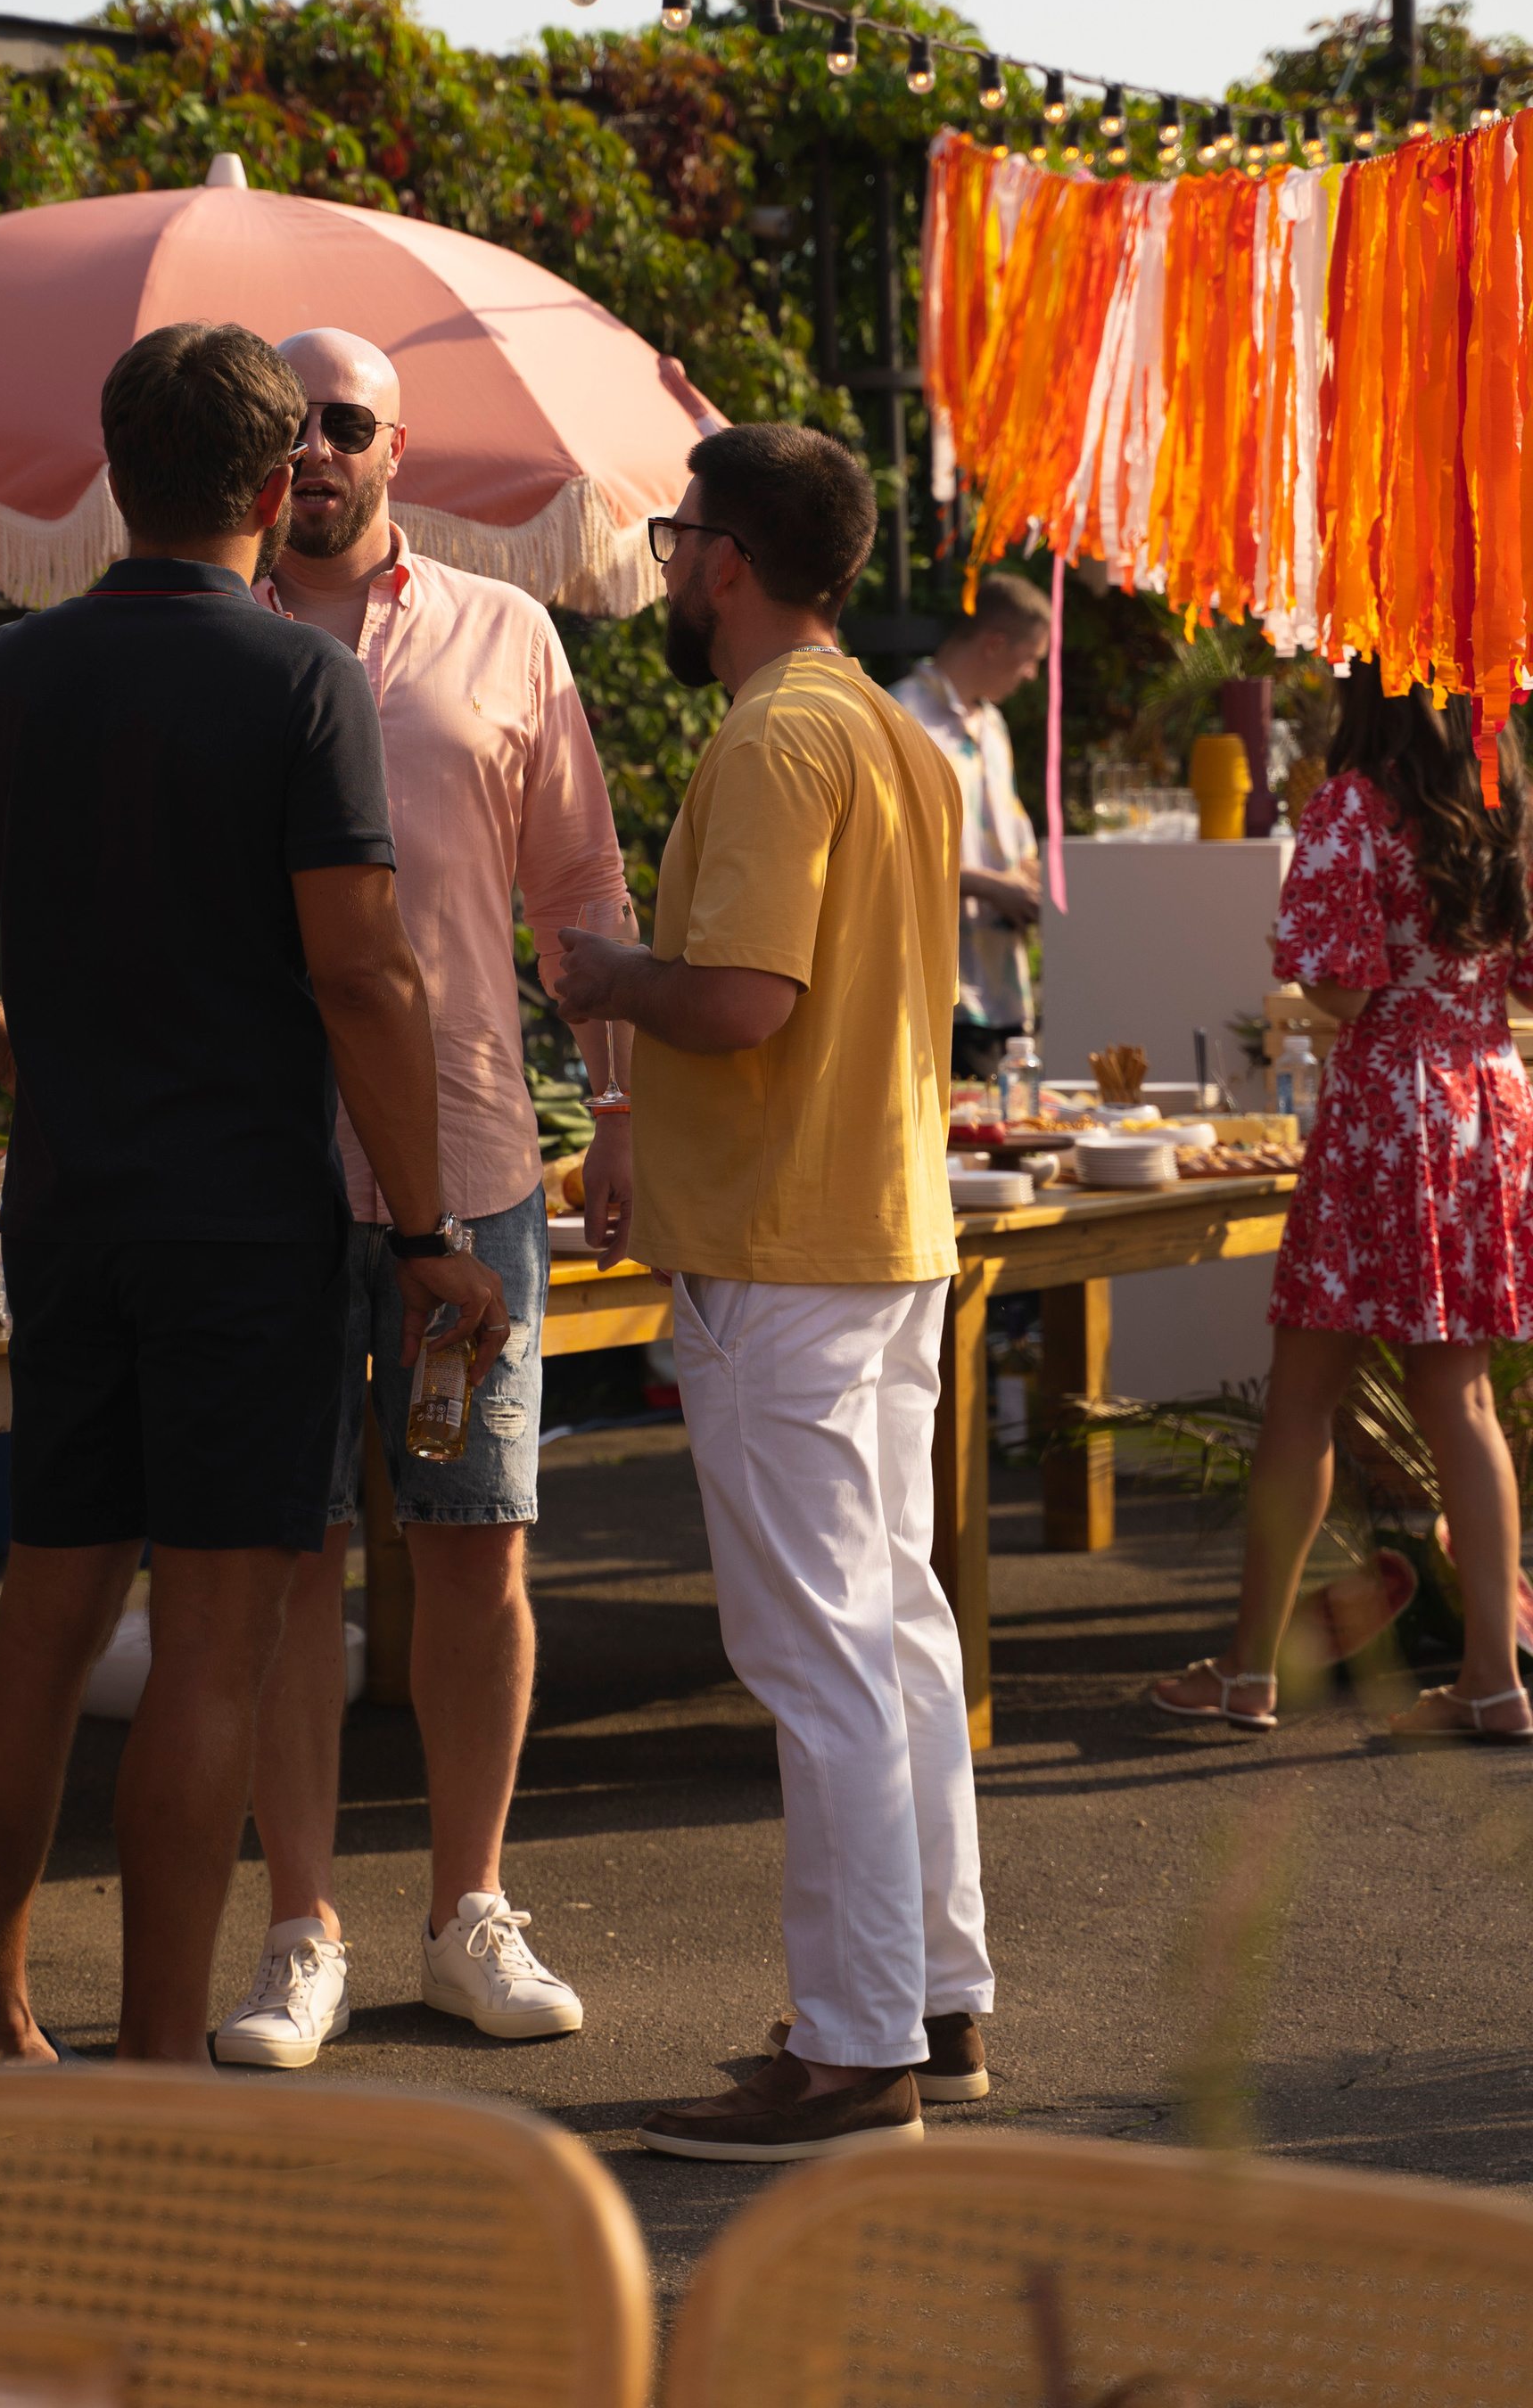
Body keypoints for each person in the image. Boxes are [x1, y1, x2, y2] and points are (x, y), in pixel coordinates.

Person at [0, 320, 504, 2066]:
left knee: (41, 1611)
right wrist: (422, 1231)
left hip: (75, 1205)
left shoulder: (0, 677)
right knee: (212, 1634)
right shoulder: (297, 680)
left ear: (113, 474)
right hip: (247, 1223)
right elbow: (362, 974)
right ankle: (163, 2051)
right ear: (274, 488)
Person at [556, 422, 993, 2162]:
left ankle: (853, 2049)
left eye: (674, 539)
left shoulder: (770, 737)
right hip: (881, 1231)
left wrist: (608, 975)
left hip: (785, 1247)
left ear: (724, 555)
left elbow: (740, 999)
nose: (666, 568)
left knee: (822, 1658)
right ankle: (924, 2000)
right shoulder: (893, 730)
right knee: (890, 1637)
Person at [208, 326, 632, 2069]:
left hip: (463, 1166)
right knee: (284, 1554)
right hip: (261, 1168)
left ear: (399, 442)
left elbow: (581, 891)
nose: (313, 447)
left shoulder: (502, 630)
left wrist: (614, 1108)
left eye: (344, 420)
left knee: (476, 1543)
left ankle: (469, 1905)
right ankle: (298, 1922)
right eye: (286, 422)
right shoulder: (204, 639)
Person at [1152, 668, 1533, 1747]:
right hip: (1485, 1100)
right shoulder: (1505, 801)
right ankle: (1492, 1679)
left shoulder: (1353, 802)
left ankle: (1245, 1671)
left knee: (1302, 1399)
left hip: (1386, 1106)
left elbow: (1344, 984)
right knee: (1460, 1401)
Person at [890, 576, 1050, 1084]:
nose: (1031, 675)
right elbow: (886, 853)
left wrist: (1029, 875)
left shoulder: (994, 725)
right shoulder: (901, 717)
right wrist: (989, 886)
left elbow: (1013, 832)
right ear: (994, 644)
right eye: (1031, 658)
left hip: (1004, 989)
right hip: (938, 986)